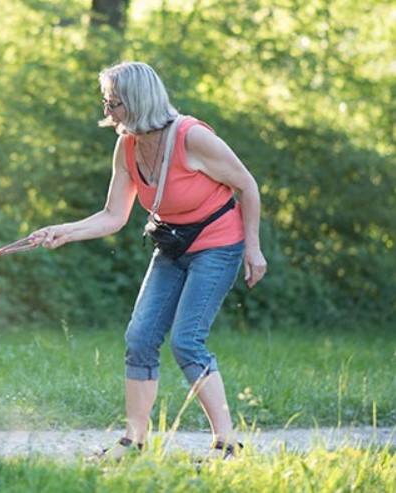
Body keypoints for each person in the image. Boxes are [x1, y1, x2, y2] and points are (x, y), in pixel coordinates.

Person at [29, 61, 267, 460]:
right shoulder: (127, 146)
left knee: (187, 342)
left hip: (218, 244)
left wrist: (253, 248)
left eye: (114, 103)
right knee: (139, 339)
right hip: (172, 246)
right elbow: (113, 216)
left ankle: (228, 445)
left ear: (137, 102)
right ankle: (133, 442)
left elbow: (247, 185)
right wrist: (63, 231)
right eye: (106, 102)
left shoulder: (192, 137)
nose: (107, 111)